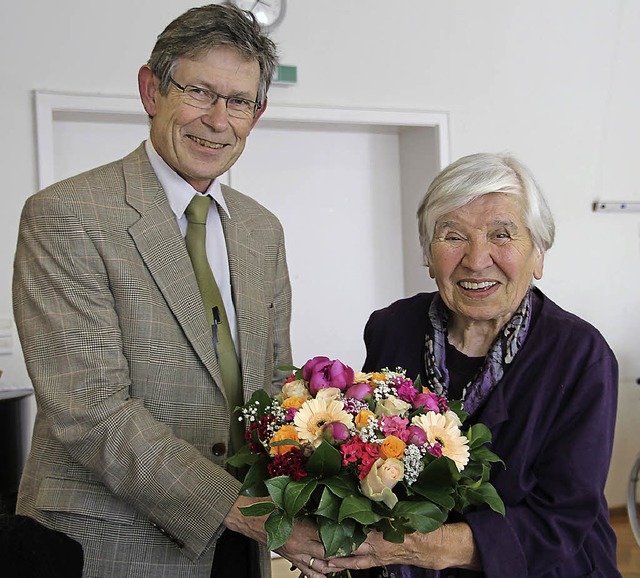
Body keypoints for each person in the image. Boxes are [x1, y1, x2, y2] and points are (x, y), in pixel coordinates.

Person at [12, 5, 327, 577]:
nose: (218, 120)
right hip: (113, 543)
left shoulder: (261, 230)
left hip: (239, 546)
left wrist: (323, 493)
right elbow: (90, 412)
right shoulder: (67, 215)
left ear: (256, 115)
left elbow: (276, 386)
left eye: (239, 102)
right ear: (151, 90)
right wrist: (242, 510)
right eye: (200, 92)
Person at [327, 153, 621, 577]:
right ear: (429, 255)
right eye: (453, 236)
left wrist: (419, 546)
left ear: (538, 255)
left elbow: (561, 518)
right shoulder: (392, 328)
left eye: (501, 235)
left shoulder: (580, 356)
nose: (477, 258)